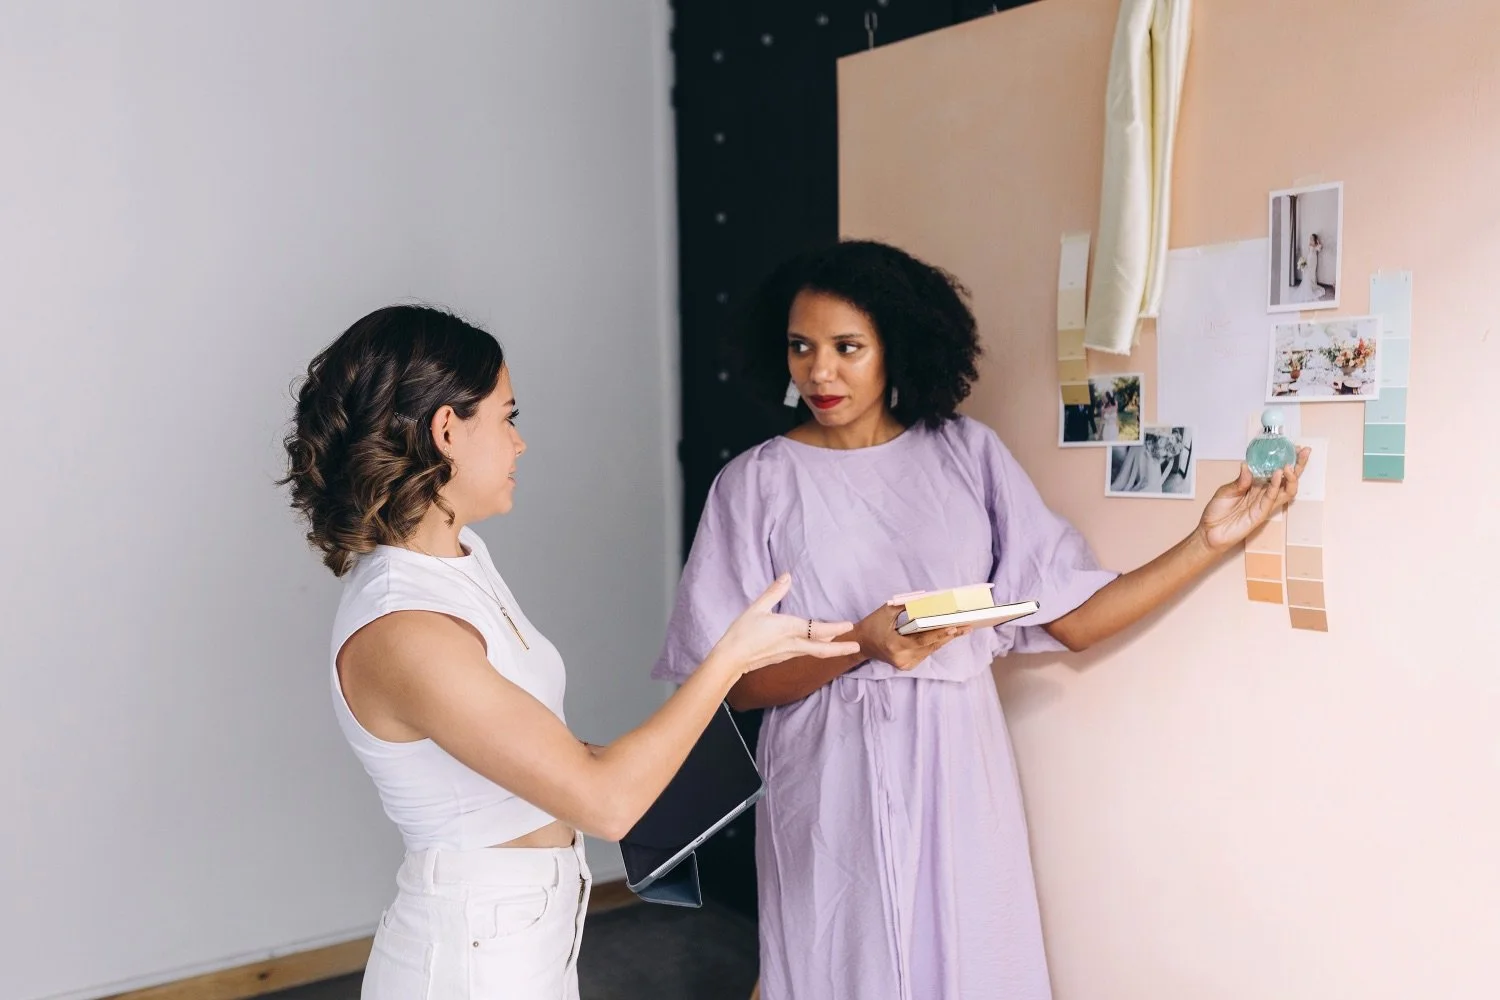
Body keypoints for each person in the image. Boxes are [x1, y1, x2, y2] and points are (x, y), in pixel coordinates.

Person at [652, 241, 1309, 1000]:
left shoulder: (967, 456)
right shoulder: (756, 483)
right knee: (838, 966)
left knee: (966, 965)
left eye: (846, 348)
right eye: (801, 347)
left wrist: (1206, 540)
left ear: (897, 346)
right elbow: (732, 685)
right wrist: (861, 644)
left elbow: (1073, 617)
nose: (819, 372)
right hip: (830, 774)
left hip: (958, 765)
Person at [279, 305, 858, 1000]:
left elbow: (542, 752)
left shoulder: (461, 564)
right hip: (468, 965)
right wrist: (730, 659)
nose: (518, 444)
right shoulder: (405, 627)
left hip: (526, 940)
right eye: (506, 417)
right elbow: (605, 805)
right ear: (446, 431)